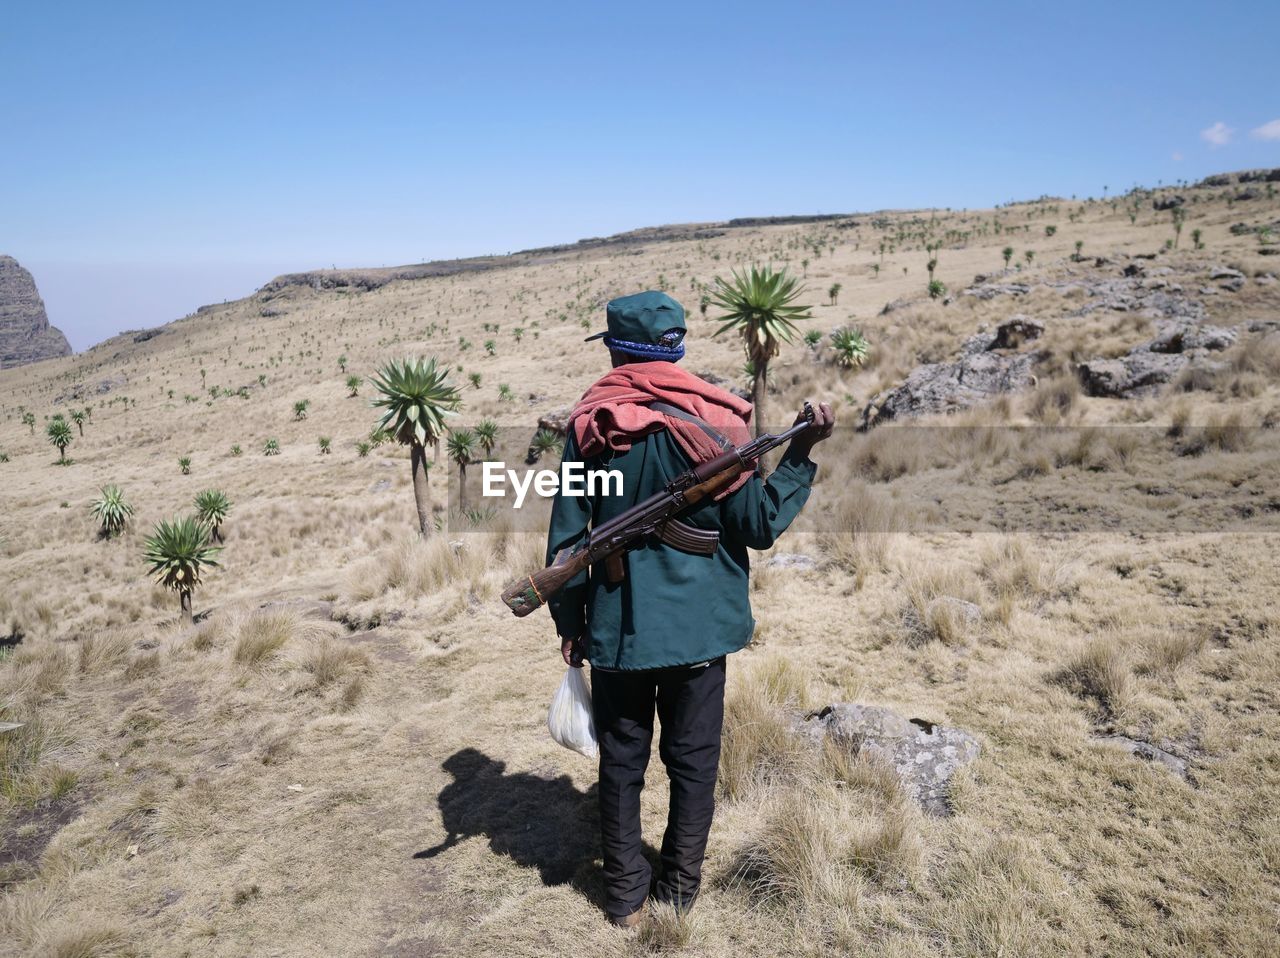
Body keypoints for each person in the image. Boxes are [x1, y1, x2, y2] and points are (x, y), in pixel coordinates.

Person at [544, 290, 834, 928]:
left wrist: (571, 623)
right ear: (678, 347)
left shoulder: (592, 426)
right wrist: (803, 453)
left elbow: (567, 538)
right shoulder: (721, 425)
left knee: (622, 763)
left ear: (617, 349)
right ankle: (677, 891)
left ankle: (622, 895)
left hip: (620, 631)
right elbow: (757, 524)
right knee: (694, 762)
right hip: (702, 631)